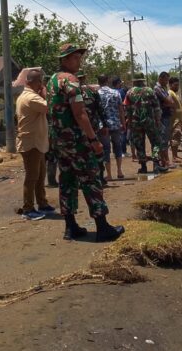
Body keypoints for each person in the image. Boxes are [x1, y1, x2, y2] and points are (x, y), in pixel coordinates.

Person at [47, 43, 124, 242]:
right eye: (74, 58)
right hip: (77, 141)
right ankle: (102, 227)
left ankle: (70, 227)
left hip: (60, 142)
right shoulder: (71, 81)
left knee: (67, 181)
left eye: (79, 58)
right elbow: (80, 113)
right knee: (91, 179)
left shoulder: (52, 81)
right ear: (63, 60)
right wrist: (93, 139)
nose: (78, 61)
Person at [16, 69, 55, 220]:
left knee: (39, 175)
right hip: (31, 142)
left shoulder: (26, 95)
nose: (42, 85)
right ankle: (28, 209)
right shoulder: (31, 97)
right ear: (36, 82)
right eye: (41, 82)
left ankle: (42, 203)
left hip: (35, 142)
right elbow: (49, 107)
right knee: (32, 177)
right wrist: (45, 91)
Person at [124, 73, 164, 174]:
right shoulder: (149, 90)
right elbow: (156, 107)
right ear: (143, 80)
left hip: (135, 122)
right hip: (149, 121)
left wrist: (129, 123)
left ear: (134, 81)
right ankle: (156, 164)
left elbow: (127, 109)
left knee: (139, 143)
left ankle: (143, 166)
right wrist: (158, 121)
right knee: (155, 142)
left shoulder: (129, 92)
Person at [77, 71, 107, 183]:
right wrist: (104, 125)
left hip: (87, 129)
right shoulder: (88, 91)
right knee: (93, 152)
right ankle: (96, 178)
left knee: (91, 152)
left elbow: (100, 109)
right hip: (85, 129)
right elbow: (101, 110)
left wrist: (104, 125)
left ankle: (98, 177)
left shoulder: (91, 92)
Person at [97, 75, 126, 180]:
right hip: (115, 124)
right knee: (117, 147)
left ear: (99, 82)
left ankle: (109, 174)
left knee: (105, 149)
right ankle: (119, 171)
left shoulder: (97, 94)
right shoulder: (116, 93)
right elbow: (121, 110)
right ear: (107, 80)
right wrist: (123, 123)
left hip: (103, 126)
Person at [154, 71, 175, 169]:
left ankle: (162, 162)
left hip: (162, 117)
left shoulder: (162, 89)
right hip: (161, 118)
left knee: (162, 140)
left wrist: (168, 102)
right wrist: (167, 102)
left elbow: (170, 102)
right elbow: (170, 101)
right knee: (162, 141)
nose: (167, 82)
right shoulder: (158, 89)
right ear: (160, 78)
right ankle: (164, 162)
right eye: (166, 80)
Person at [168, 76, 182, 162]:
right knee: (175, 137)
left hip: (177, 120)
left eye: (178, 85)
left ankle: (175, 156)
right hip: (173, 121)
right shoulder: (170, 93)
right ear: (170, 85)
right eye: (175, 85)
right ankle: (174, 157)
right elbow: (170, 105)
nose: (177, 87)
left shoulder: (174, 94)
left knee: (177, 137)